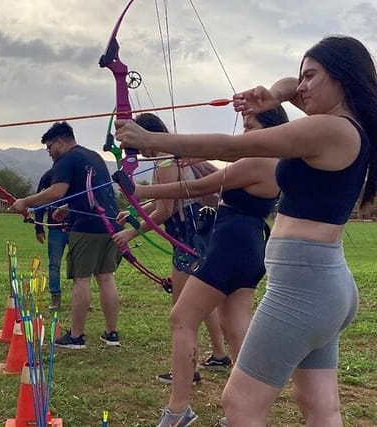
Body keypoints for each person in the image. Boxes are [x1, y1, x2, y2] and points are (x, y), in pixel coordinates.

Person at [115, 35, 376, 427]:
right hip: (322, 286)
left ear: (341, 77)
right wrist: (273, 94)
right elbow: (289, 84)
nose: (301, 87)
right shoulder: (344, 127)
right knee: (319, 405)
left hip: (303, 289)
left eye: (312, 76)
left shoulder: (331, 129)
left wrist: (151, 139)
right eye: (302, 77)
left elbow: (232, 146)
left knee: (239, 403)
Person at [120, 107, 287, 427]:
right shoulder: (272, 161)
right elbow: (216, 184)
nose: (244, 132)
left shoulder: (258, 159)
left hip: (230, 245)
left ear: (270, 128)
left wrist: (142, 192)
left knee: (182, 318)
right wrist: (194, 161)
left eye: (250, 125)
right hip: (248, 244)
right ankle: (246, 410)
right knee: (235, 323)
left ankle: (178, 409)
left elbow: (197, 188)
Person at [113, 113, 230, 388]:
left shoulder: (165, 159)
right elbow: (162, 204)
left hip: (187, 239)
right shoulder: (168, 157)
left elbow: (165, 210)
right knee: (200, 299)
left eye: (135, 140)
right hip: (195, 237)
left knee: (181, 311)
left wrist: (131, 232)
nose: (137, 150)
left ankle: (188, 370)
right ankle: (220, 354)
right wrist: (132, 215)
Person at [10, 121, 123, 349]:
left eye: (50, 147)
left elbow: (56, 191)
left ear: (60, 142)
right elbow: (93, 193)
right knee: (106, 278)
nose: (50, 153)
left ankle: (77, 336)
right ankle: (111, 334)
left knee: (81, 280)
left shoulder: (65, 160)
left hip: (86, 228)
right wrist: (69, 208)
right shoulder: (93, 157)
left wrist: (25, 202)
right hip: (110, 225)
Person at [34, 167, 69, 311]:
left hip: (77, 227)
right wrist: (39, 227)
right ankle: (55, 297)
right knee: (54, 264)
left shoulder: (79, 174)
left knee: (80, 264)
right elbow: (40, 202)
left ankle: (82, 296)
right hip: (55, 228)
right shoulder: (48, 176)